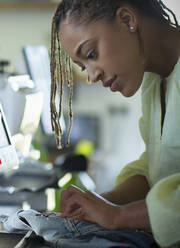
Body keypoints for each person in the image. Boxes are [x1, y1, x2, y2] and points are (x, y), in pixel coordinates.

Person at [49, 0, 180, 247]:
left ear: (127, 20)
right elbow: (156, 170)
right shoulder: (154, 81)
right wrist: (98, 204)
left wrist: (118, 216)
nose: (91, 75)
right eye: (83, 66)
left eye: (90, 54)